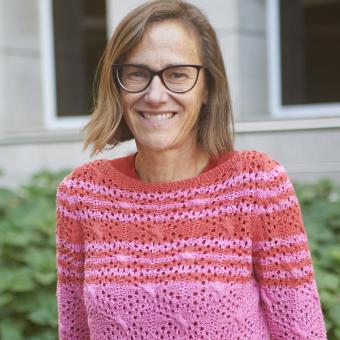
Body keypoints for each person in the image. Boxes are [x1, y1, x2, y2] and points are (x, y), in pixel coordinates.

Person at [55, 1, 327, 339]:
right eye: (137, 73)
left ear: (208, 87)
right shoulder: (83, 194)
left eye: (177, 75)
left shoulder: (257, 184)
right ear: (117, 85)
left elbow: (303, 332)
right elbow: (74, 331)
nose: (156, 95)